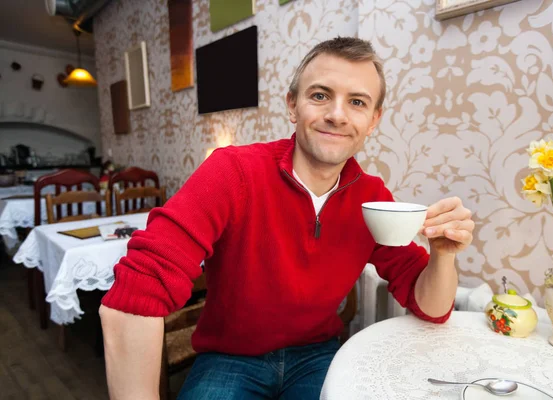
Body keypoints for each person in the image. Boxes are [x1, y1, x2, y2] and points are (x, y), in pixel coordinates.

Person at [99, 37, 474, 400]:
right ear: (292, 105)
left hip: (316, 355)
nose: (336, 115)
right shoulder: (233, 172)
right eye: (320, 95)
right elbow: (139, 288)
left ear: (373, 120)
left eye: (357, 102)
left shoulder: (372, 197)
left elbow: (432, 308)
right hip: (230, 357)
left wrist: (443, 254)